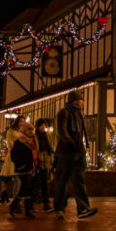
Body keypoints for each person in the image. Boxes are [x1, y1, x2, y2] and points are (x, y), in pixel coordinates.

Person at [53, 91, 97, 219]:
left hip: (78, 151)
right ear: (75, 100)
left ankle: (83, 208)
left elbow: (80, 134)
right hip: (65, 152)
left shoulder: (78, 114)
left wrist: (80, 147)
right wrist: (71, 143)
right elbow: (62, 131)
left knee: (79, 180)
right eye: (81, 100)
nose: (83, 102)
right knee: (62, 181)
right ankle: (59, 208)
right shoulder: (64, 112)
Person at [8, 122, 37, 219]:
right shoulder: (19, 142)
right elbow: (14, 156)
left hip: (29, 168)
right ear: (24, 131)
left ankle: (21, 209)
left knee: (26, 189)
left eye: (32, 130)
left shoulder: (31, 142)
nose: (31, 132)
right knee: (26, 188)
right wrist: (21, 164)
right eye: (29, 130)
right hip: (22, 169)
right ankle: (17, 207)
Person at [0, 116, 23, 203]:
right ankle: (12, 199)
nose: (22, 123)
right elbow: (10, 144)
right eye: (20, 121)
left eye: (23, 121)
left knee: (18, 180)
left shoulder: (22, 131)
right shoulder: (11, 131)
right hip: (13, 156)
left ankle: (13, 199)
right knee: (11, 177)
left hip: (21, 157)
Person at [34, 118, 53, 212]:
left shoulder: (46, 136)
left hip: (45, 162)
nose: (43, 127)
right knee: (35, 184)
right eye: (41, 125)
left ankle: (46, 204)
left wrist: (50, 162)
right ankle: (32, 204)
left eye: (44, 125)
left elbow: (49, 149)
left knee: (45, 184)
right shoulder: (35, 136)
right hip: (37, 163)